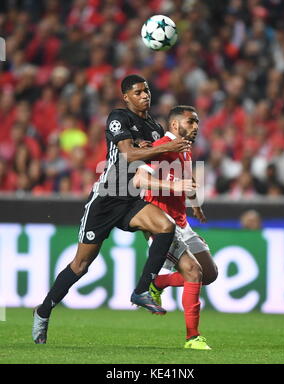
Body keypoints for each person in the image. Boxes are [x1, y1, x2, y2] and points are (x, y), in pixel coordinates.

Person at [32, 74, 193, 344]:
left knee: (166, 226)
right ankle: (44, 310)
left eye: (147, 91)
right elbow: (128, 154)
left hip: (132, 198)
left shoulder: (153, 126)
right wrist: (155, 148)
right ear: (126, 97)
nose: (145, 96)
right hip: (107, 198)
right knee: (81, 265)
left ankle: (142, 290)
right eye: (139, 92)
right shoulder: (118, 117)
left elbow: (153, 154)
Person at [133, 105, 218, 350]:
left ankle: (158, 282)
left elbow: (185, 182)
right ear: (174, 125)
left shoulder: (185, 151)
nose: (196, 127)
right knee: (193, 271)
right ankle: (193, 338)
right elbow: (140, 179)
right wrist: (175, 188)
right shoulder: (161, 147)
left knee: (209, 274)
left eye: (198, 122)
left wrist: (195, 205)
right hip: (160, 223)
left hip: (182, 222)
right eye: (191, 122)